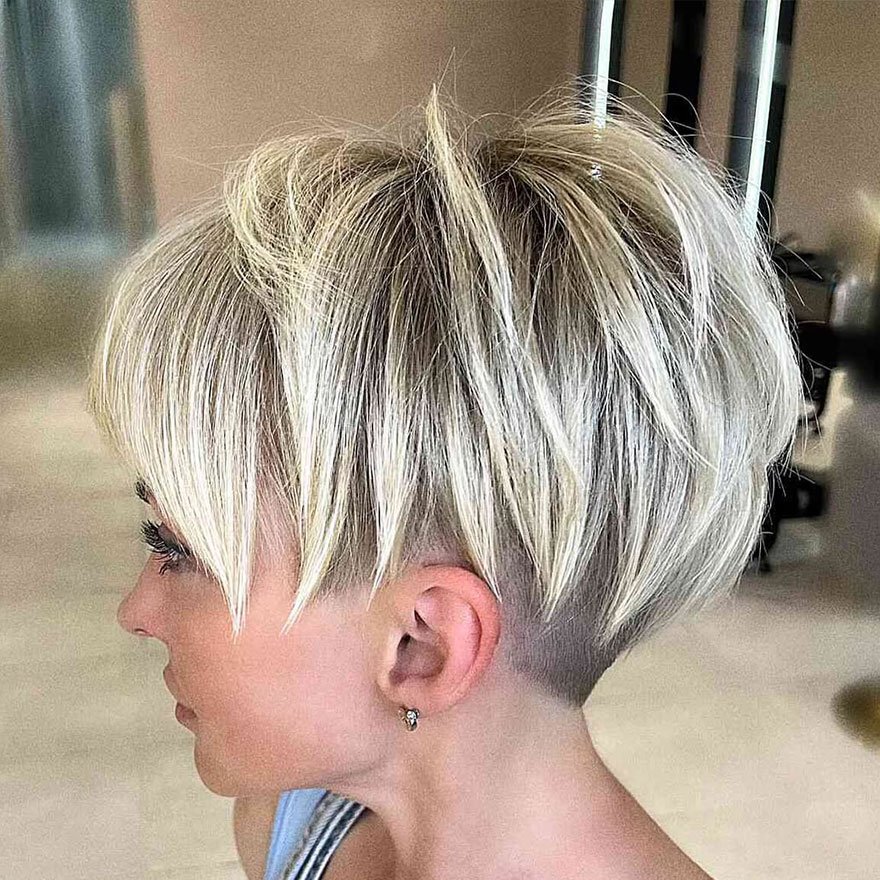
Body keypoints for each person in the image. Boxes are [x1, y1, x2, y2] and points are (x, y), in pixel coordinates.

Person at [87, 80, 804, 880]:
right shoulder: (291, 823)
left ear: (422, 646)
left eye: (176, 549)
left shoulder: (291, 820)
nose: (134, 611)